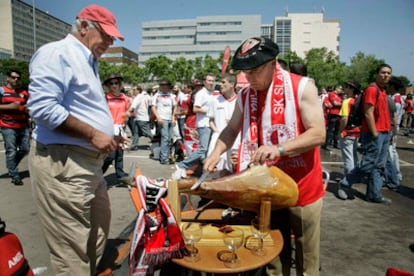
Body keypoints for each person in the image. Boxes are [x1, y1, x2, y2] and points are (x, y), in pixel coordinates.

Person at [204, 37, 326, 275]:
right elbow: (231, 129)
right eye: (245, 74)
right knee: (271, 255)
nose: (249, 79)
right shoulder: (246, 95)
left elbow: (318, 133)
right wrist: (216, 153)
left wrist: (280, 148)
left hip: (302, 186)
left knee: (306, 257)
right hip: (267, 189)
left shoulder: (302, 87)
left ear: (273, 63)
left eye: (255, 72)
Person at [27, 5, 125, 275]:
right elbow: (43, 108)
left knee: (96, 233)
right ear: (84, 27)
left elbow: (81, 107)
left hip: (86, 162)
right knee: (71, 247)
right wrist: (93, 134)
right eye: (105, 35)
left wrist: (108, 134)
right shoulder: (57, 53)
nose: (110, 41)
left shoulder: (87, 59)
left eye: (112, 37)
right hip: (65, 162)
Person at [337, 64, 393, 204]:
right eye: (383, 72)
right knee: (368, 164)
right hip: (375, 133)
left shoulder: (382, 90)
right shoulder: (372, 89)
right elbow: (368, 113)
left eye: (388, 73)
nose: (386, 75)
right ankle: (345, 183)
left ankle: (374, 194)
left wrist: (388, 134)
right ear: (377, 74)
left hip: (384, 132)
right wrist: (374, 133)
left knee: (379, 166)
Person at [174, 74, 215, 178]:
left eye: (212, 81)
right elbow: (195, 109)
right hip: (203, 124)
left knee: (206, 150)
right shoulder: (201, 94)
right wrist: (209, 111)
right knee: (202, 149)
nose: (211, 83)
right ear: (204, 82)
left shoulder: (211, 94)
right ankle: (183, 165)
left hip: (209, 124)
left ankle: (200, 171)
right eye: (209, 80)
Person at [0, 69, 30, 186]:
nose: (16, 79)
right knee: (11, 151)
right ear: (8, 78)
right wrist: (11, 107)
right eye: (13, 77)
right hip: (8, 126)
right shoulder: (2, 91)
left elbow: (29, 105)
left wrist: (26, 109)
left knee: (25, 149)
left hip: (23, 125)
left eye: (18, 78)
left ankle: (11, 166)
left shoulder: (24, 92)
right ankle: (14, 175)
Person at [207, 74, 239, 173]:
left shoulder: (240, 100)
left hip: (235, 140)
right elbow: (211, 120)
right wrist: (216, 131)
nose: (220, 85)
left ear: (232, 84)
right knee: (216, 169)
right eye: (220, 82)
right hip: (218, 139)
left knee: (234, 168)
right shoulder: (214, 100)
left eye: (223, 82)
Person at [101, 74, 130, 181]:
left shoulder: (125, 98)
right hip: (109, 128)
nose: (114, 85)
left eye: (116, 83)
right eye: (111, 83)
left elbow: (129, 112)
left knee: (119, 153)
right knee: (110, 155)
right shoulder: (105, 98)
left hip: (121, 128)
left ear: (120, 84)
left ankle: (120, 174)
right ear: (108, 86)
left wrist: (127, 115)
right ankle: (99, 173)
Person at [337, 81, 361, 175]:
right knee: (354, 155)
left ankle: (348, 178)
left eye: (346, 87)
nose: (344, 88)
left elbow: (344, 118)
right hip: (356, 132)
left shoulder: (347, 102)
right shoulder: (357, 101)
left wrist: (340, 131)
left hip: (347, 132)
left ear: (351, 89)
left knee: (348, 157)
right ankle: (356, 175)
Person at [151, 79, 177, 165]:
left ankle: (167, 156)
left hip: (170, 119)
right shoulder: (157, 95)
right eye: (162, 85)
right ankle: (164, 158)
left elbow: (175, 106)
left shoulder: (172, 96)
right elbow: (153, 107)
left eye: (165, 85)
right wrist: (158, 118)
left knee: (169, 139)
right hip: (162, 119)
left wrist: (173, 118)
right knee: (165, 138)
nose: (164, 87)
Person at [129, 86, 153, 151]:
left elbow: (133, 107)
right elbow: (150, 104)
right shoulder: (145, 96)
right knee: (136, 133)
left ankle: (159, 142)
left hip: (141, 118)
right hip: (140, 117)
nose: (133, 91)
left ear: (138, 90)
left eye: (134, 90)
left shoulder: (138, 97)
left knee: (148, 133)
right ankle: (134, 146)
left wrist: (126, 113)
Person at [322, 85, 343, 149]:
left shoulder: (340, 96)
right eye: (340, 88)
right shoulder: (332, 94)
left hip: (339, 114)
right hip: (333, 114)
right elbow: (335, 103)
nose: (341, 90)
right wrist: (343, 104)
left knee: (337, 130)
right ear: (336, 88)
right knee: (330, 130)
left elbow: (338, 103)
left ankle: (335, 144)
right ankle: (326, 144)